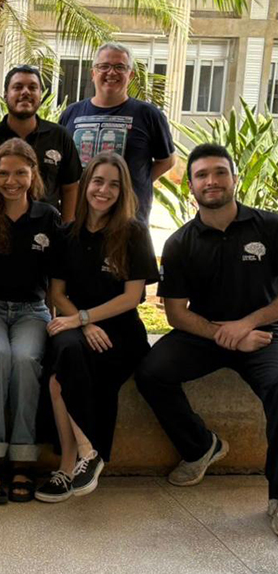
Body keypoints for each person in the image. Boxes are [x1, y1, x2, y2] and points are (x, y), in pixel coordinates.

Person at [135, 143, 278, 537]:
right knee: (151, 372)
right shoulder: (180, 243)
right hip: (204, 333)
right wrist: (225, 334)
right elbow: (176, 313)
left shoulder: (270, 226)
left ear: (235, 179)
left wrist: (246, 325)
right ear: (191, 187)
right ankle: (200, 447)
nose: (211, 181)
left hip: (265, 333)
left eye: (219, 172)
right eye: (201, 175)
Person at [35, 152, 158, 503]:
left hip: (120, 332)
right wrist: (83, 323)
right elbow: (57, 294)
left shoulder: (133, 233)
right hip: (79, 324)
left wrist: (83, 319)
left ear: (122, 192)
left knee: (60, 375)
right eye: (98, 181)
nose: (104, 190)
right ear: (86, 184)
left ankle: (69, 465)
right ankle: (86, 454)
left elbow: (132, 298)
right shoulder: (67, 234)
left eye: (113, 185)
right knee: (65, 353)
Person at [0, 138, 60, 504]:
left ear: (33, 174)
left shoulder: (47, 217)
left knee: (24, 360)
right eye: (4, 173)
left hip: (31, 311)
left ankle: (23, 459)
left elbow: (55, 280)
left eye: (20, 173)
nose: (11, 181)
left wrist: (60, 319)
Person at [59, 41, 175, 223]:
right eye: (104, 66)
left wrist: (134, 183)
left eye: (120, 67)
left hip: (128, 220)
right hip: (81, 219)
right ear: (93, 73)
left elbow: (167, 160)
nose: (111, 72)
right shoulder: (71, 113)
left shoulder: (149, 115)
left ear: (131, 74)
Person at [0, 65, 81, 221]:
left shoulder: (59, 137)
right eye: (18, 87)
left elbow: (70, 188)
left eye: (33, 87)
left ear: (40, 95)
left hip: (46, 230)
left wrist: (66, 228)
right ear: (5, 95)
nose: (25, 92)